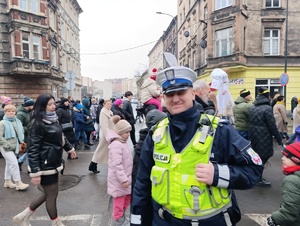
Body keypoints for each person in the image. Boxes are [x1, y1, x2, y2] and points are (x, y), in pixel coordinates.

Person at [131, 65, 263, 226]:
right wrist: (137, 221)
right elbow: (142, 183)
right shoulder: (156, 133)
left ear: (192, 93)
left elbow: (254, 169)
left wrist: (217, 174)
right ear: (163, 98)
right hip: (163, 220)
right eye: (170, 94)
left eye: (181, 92)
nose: (175, 98)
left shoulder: (220, 130)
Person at [13, 93, 77, 226]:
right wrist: (35, 172)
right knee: (52, 194)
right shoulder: (37, 123)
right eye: (50, 104)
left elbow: (61, 137)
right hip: (44, 165)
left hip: (53, 162)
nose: (53, 106)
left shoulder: (53, 119)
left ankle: (22, 217)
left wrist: (70, 149)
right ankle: (56, 223)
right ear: (42, 106)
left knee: (49, 193)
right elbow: (33, 149)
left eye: (54, 103)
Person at [249, 87, 282, 187]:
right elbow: (272, 126)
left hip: (254, 135)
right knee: (263, 157)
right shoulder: (267, 108)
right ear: (267, 96)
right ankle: (258, 179)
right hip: (264, 136)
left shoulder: (252, 107)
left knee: (256, 157)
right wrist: (279, 139)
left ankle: (254, 176)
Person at [106, 115, 132, 226]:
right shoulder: (116, 145)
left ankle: (122, 217)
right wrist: (123, 180)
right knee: (119, 201)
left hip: (125, 178)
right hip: (119, 180)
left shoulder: (122, 142)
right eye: (127, 132)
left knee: (127, 198)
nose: (129, 134)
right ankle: (118, 220)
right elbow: (117, 165)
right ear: (120, 133)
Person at [266, 142, 300, 226]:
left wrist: (274, 219)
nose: (282, 159)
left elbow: (289, 213)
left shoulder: (292, 180)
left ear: (296, 159)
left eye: (287, 156)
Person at [0, 104, 29, 190]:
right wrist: (6, 145)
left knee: (9, 164)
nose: (11, 112)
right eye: (8, 111)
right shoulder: (2, 123)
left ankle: (7, 181)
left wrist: (22, 140)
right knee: (14, 163)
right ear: (5, 112)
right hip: (5, 147)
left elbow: (21, 132)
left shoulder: (17, 121)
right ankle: (18, 182)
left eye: (12, 111)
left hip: (15, 146)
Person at [88, 100, 114, 174]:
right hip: (106, 135)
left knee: (104, 152)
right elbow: (104, 126)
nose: (109, 105)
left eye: (110, 104)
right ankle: (93, 165)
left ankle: (93, 165)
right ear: (104, 104)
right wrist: (108, 136)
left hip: (109, 134)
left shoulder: (109, 112)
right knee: (100, 151)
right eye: (108, 104)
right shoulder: (103, 112)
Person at [16, 96, 35, 171]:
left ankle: (19, 161)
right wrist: (30, 128)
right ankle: (29, 168)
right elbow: (18, 127)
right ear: (28, 105)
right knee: (29, 151)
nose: (34, 106)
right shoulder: (20, 114)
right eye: (32, 105)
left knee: (29, 151)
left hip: (30, 134)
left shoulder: (30, 112)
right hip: (24, 136)